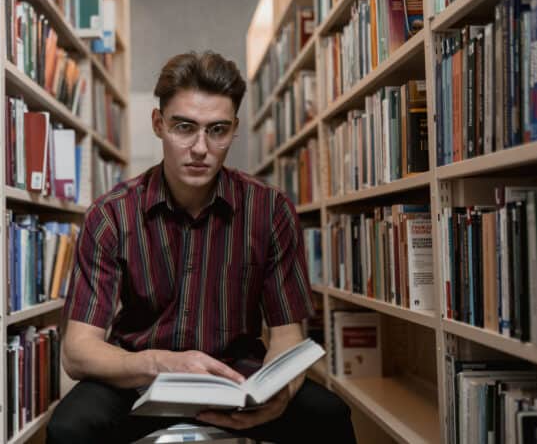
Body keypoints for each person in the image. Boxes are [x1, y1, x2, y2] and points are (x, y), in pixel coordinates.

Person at [47, 51, 356, 444]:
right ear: (158, 124)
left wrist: (282, 394)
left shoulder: (270, 210)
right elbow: (77, 351)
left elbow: (286, 334)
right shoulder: (111, 215)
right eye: (184, 127)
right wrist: (159, 363)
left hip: (236, 379)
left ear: (234, 129)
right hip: (139, 379)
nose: (199, 148)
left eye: (217, 130)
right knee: (68, 429)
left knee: (330, 417)